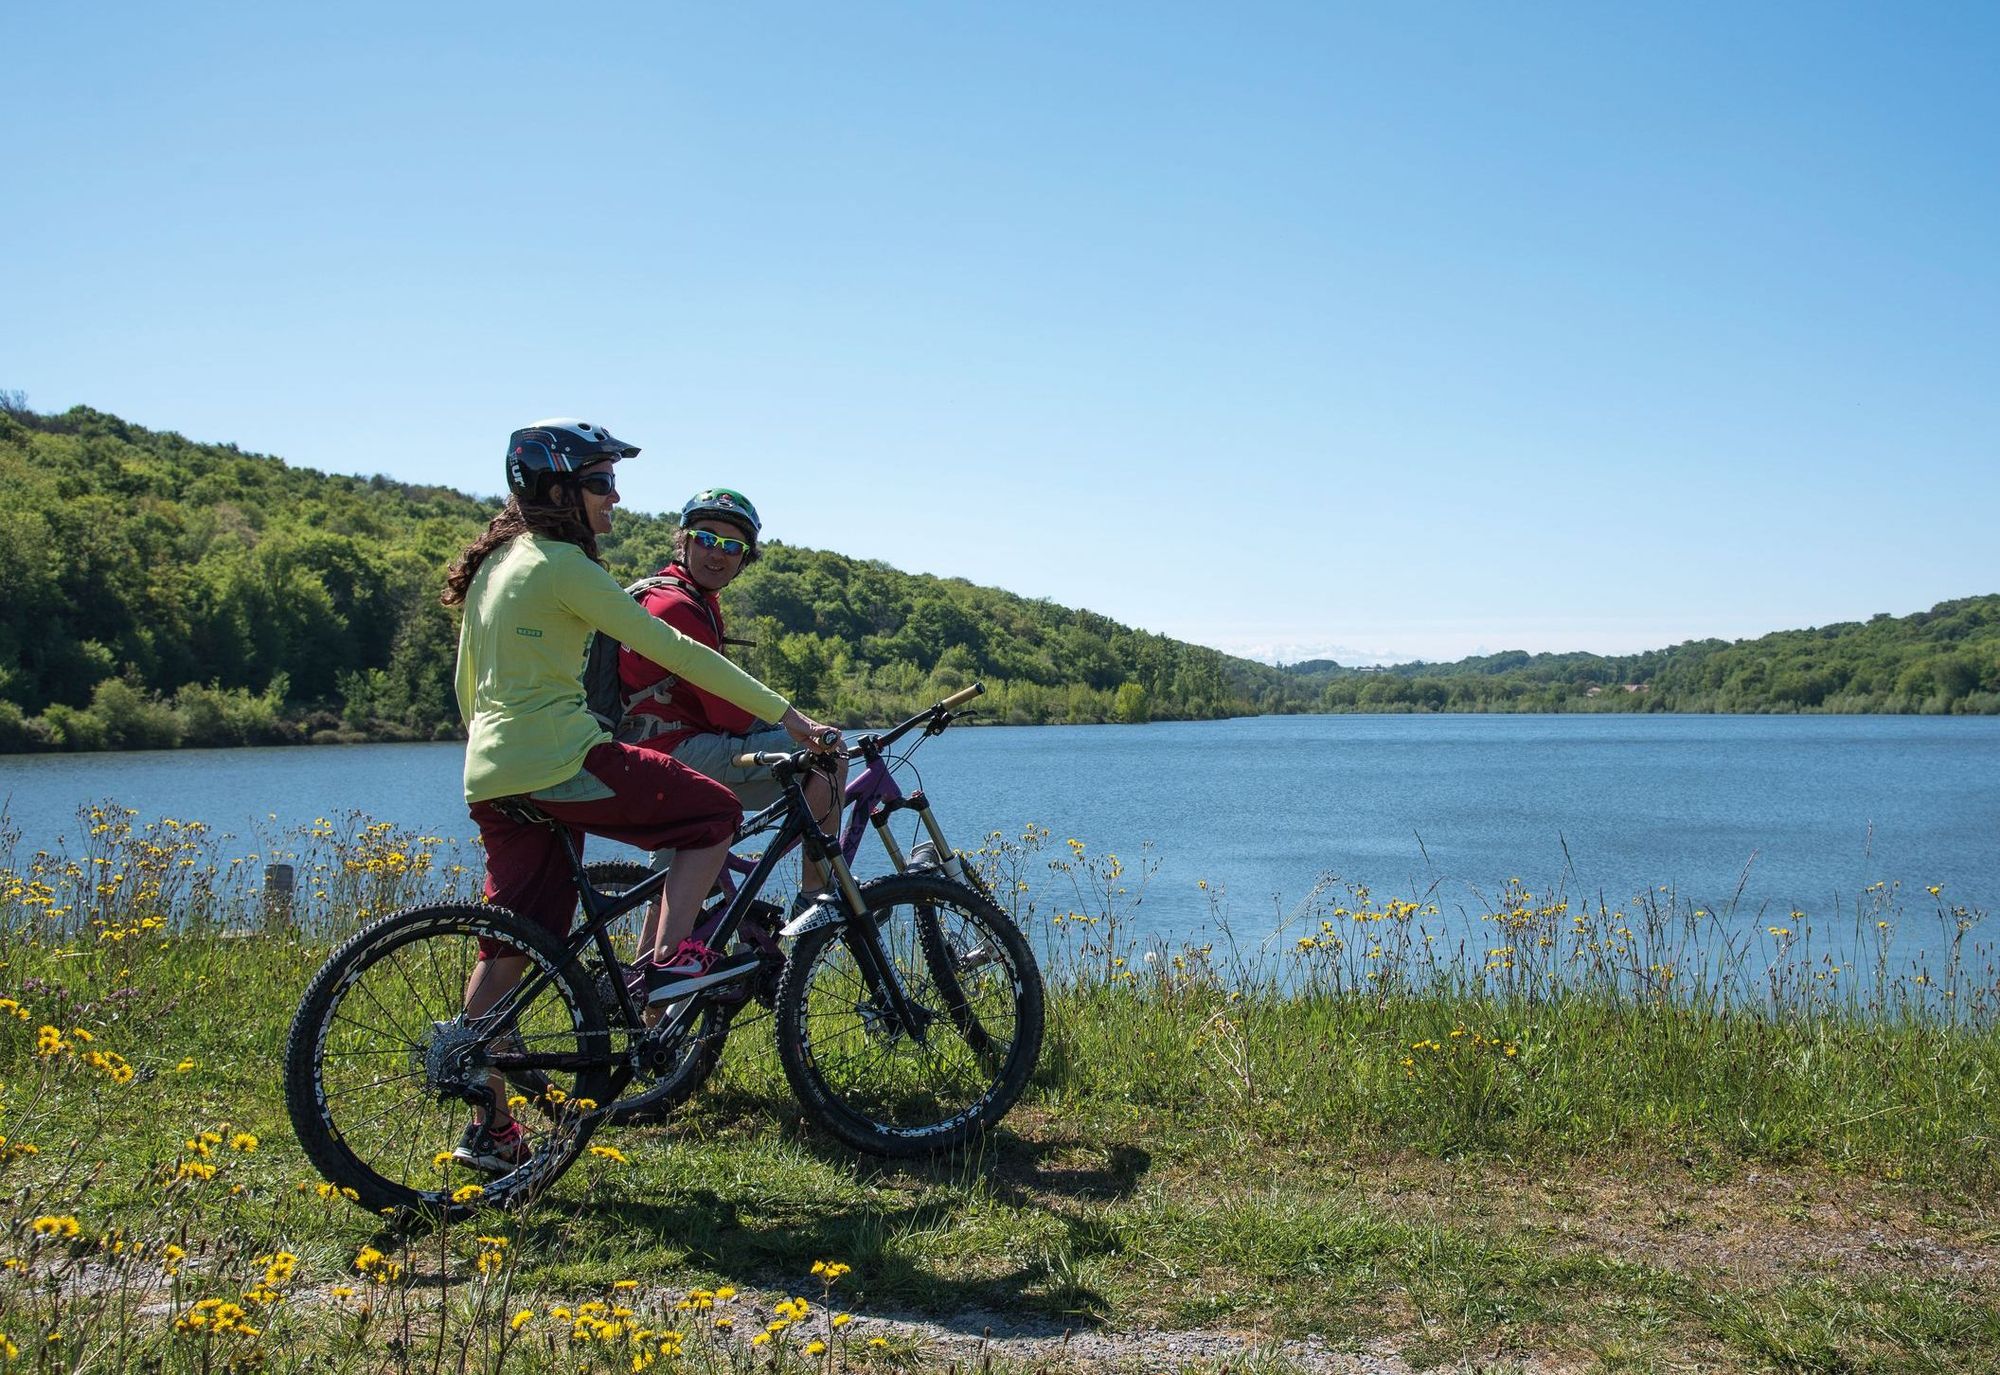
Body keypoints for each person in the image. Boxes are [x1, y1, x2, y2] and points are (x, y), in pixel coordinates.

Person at [443, 421, 837, 1172]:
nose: (615, 498)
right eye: (600, 484)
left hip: (492, 774)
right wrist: (790, 717)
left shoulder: (497, 565)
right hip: (560, 758)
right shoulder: (562, 564)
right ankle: (667, 964)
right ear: (557, 492)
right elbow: (676, 653)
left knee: (516, 945)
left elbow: (469, 682)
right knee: (713, 813)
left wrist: (496, 749)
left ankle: (488, 1125)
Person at [615, 488, 849, 916]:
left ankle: (646, 978)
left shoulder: (678, 595)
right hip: (677, 752)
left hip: (645, 754)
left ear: (744, 559)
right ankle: (815, 898)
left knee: (672, 891)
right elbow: (728, 712)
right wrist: (796, 725)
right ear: (683, 540)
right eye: (706, 538)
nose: (717, 554)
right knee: (828, 758)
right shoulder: (676, 606)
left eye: (732, 547)